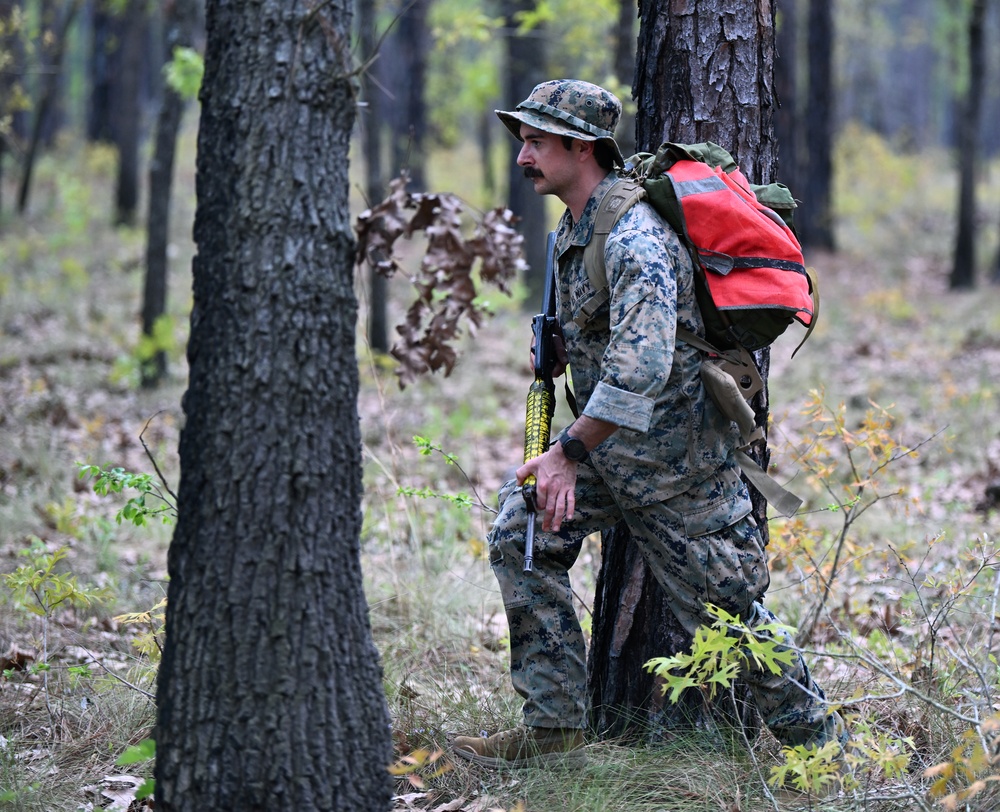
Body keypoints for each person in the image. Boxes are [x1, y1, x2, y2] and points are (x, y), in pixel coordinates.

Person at [451, 80, 844, 769]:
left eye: (537, 142)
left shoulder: (634, 237)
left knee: (731, 621)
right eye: (524, 142)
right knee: (523, 537)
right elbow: (614, 346)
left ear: (581, 147)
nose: (524, 157)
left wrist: (566, 455)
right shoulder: (577, 228)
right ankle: (556, 737)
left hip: (677, 465)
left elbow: (641, 369)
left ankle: (825, 758)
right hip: (615, 454)